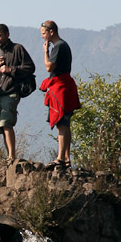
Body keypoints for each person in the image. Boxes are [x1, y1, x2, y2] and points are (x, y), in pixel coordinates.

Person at [0, 24, 35, 165]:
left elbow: (30, 67)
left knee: (6, 122)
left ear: (7, 34)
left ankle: (12, 156)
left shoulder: (17, 49)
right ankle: (9, 156)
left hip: (11, 92)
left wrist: (10, 69)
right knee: (1, 126)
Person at [40, 20, 81, 170]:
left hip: (61, 89)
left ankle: (60, 159)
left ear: (51, 32)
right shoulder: (62, 45)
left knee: (62, 124)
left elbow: (49, 67)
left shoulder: (58, 46)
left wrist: (45, 52)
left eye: (43, 33)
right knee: (64, 124)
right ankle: (66, 158)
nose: (42, 37)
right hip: (64, 87)